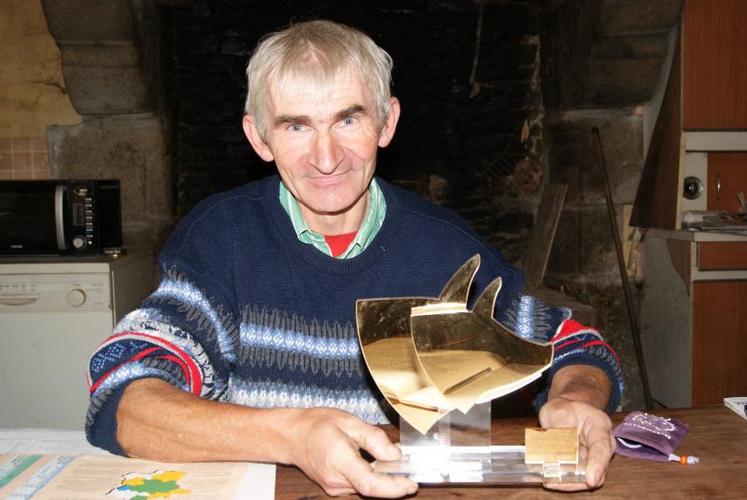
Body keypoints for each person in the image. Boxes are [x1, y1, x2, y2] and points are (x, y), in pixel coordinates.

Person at [85, 19, 623, 497]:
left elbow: (576, 345)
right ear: (260, 138)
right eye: (297, 126)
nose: (326, 159)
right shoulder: (220, 240)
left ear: (386, 123)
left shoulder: (444, 249)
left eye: (347, 120)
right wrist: (292, 436)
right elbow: (125, 401)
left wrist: (576, 398)